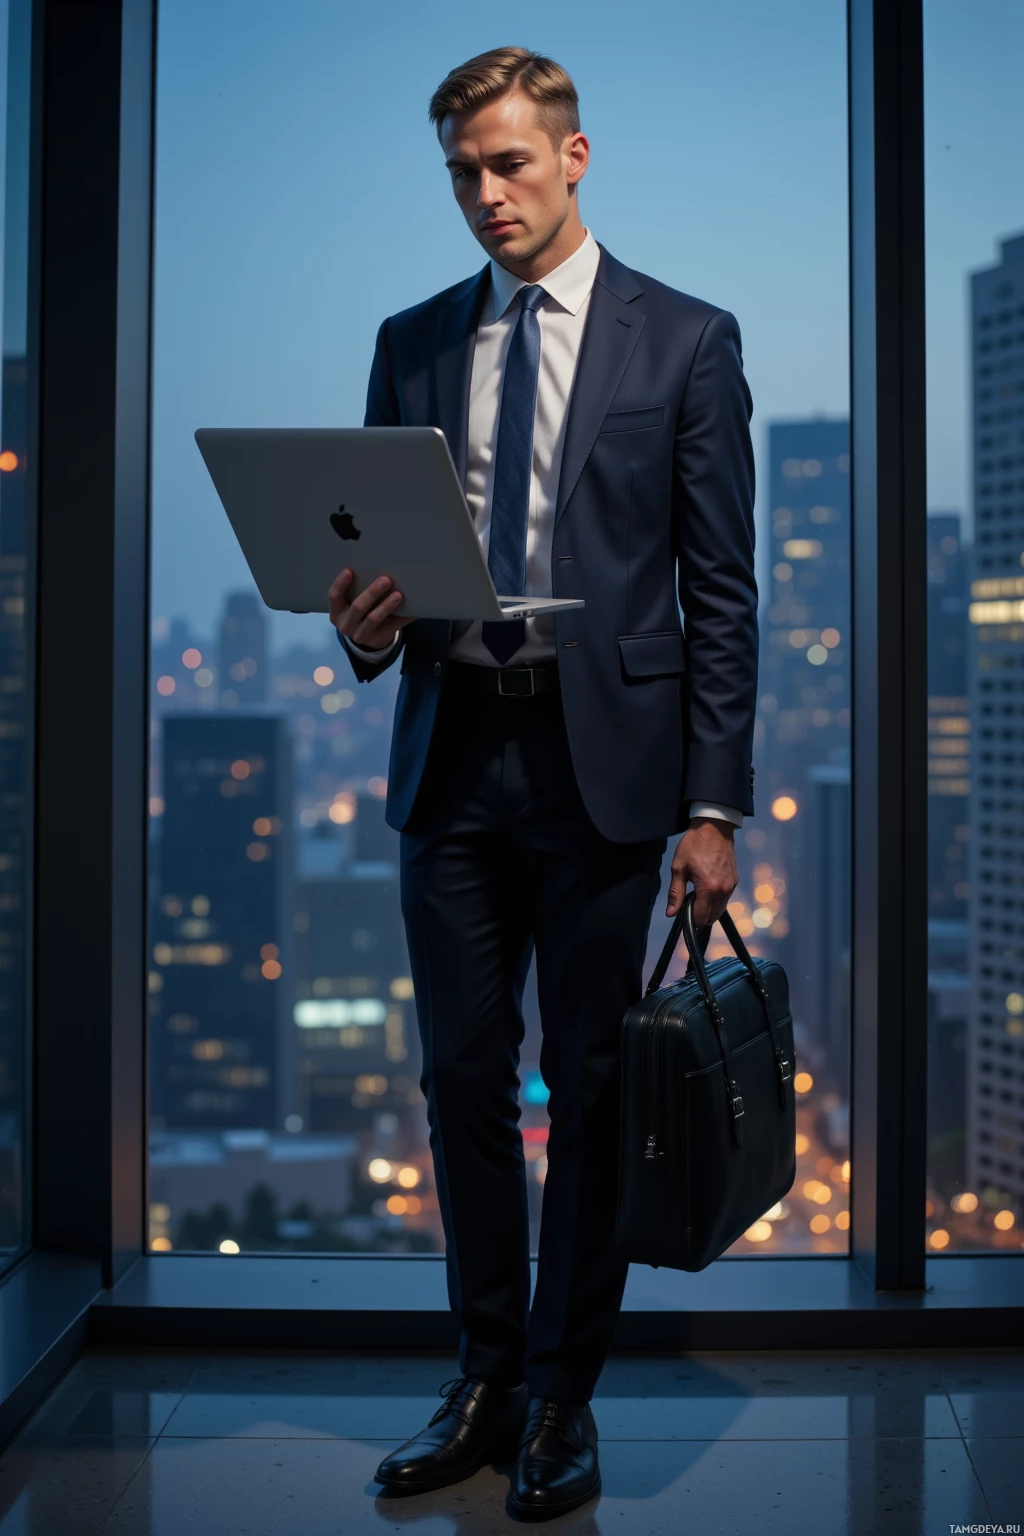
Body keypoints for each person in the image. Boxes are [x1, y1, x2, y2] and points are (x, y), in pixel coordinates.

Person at [328, 46, 757, 1523]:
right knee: (459, 1085)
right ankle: (484, 1377)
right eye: (462, 172)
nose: (485, 195)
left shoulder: (686, 342)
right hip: (454, 758)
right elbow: (377, 560)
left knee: (583, 1089)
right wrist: (363, 623)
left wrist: (712, 809)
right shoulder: (413, 342)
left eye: (508, 164)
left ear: (575, 159)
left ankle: (567, 1396)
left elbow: (724, 593)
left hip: (608, 775)